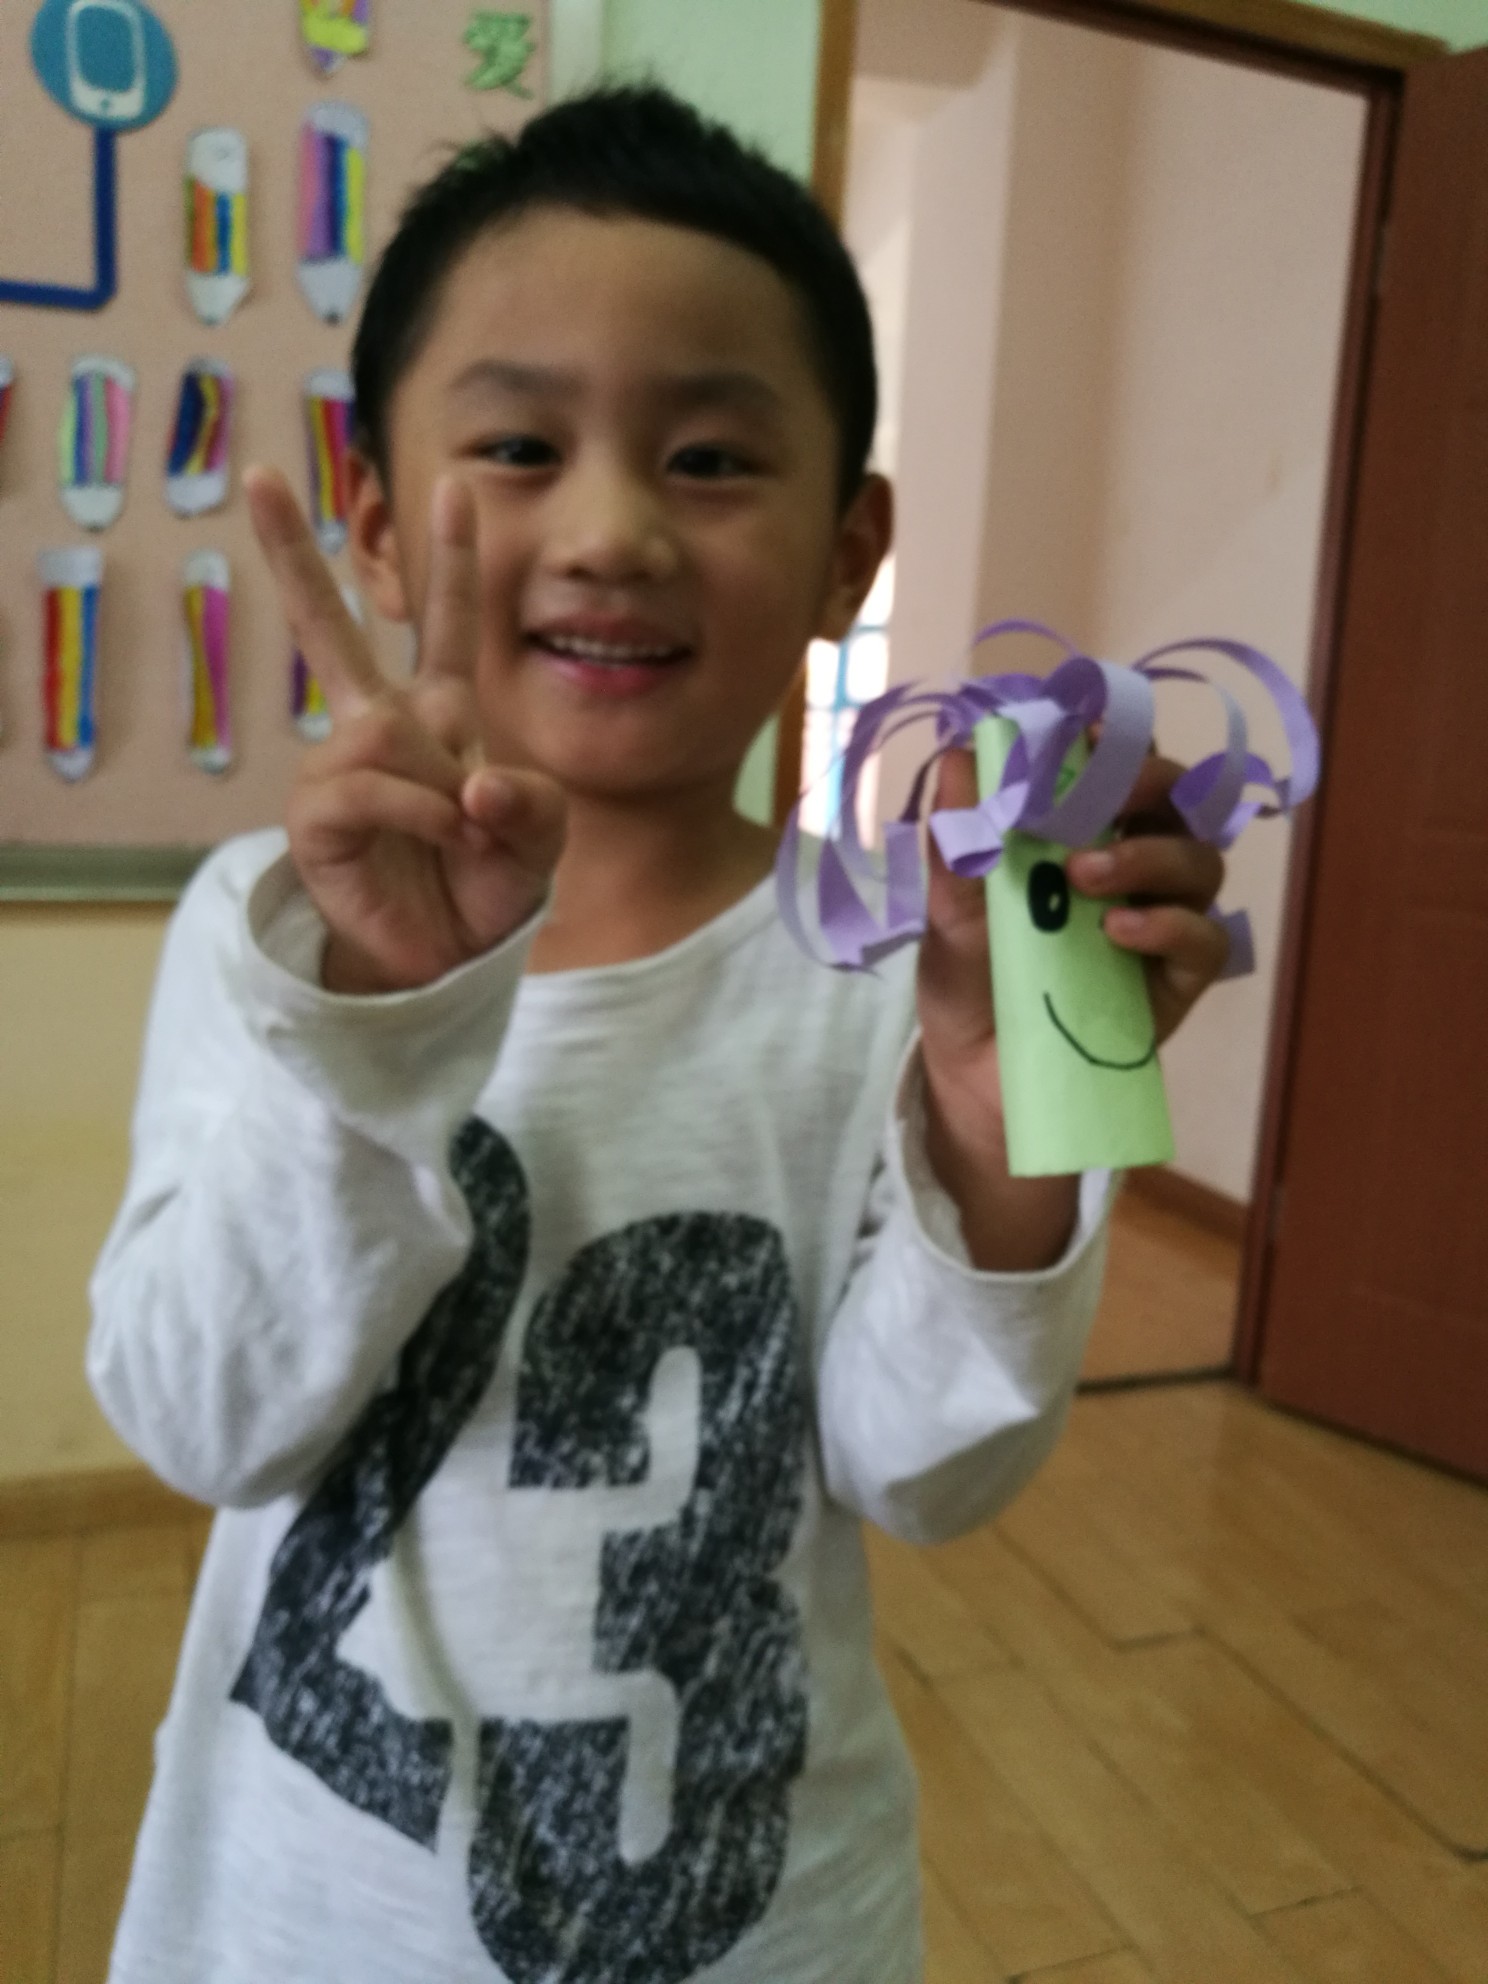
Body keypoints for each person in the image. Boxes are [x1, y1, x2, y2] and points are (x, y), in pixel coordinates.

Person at [89, 87, 1229, 1984]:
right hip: (298, 1919)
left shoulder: (894, 966)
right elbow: (207, 1418)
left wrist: (993, 1115)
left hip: (755, 1927)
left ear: (849, 550)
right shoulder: (262, 933)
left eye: (709, 458)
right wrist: (373, 1023)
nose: (612, 531)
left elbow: (923, 1474)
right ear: (378, 528)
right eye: (519, 446)